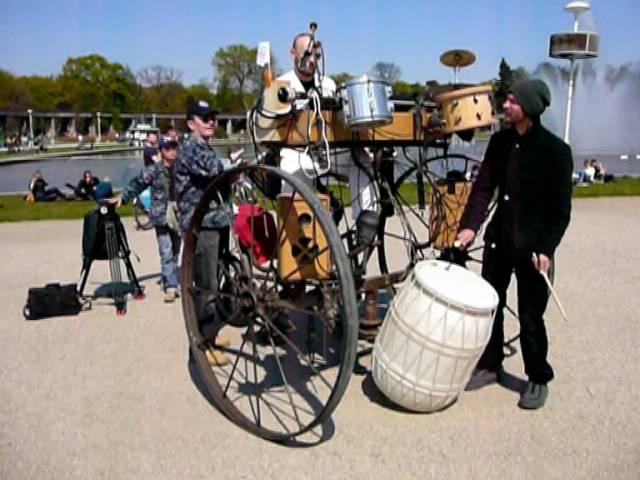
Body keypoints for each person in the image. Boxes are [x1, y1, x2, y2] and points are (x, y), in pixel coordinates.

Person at [456, 79, 573, 410]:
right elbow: (483, 189)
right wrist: (469, 228)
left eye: (512, 101)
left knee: (530, 316)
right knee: (490, 307)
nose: (505, 105)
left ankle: (537, 377)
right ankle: (490, 364)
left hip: (533, 250)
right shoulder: (500, 142)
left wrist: (547, 249)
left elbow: (561, 212)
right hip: (499, 242)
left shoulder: (556, 152)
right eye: (506, 99)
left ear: (530, 108)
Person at [277, 32, 381, 251]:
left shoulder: (328, 84)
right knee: (291, 169)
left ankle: (367, 221)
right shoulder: (281, 86)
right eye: (306, 53)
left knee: (360, 156)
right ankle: (301, 238)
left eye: (315, 54)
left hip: (327, 152)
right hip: (298, 152)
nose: (311, 59)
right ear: (292, 53)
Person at [174, 100, 234, 364]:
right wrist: (233, 166)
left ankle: (210, 334)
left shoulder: (203, 147)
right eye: (204, 118)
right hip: (203, 225)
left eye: (212, 117)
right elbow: (216, 169)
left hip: (217, 221)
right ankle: (201, 344)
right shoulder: (190, 148)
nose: (211, 122)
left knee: (215, 280)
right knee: (206, 284)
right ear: (191, 124)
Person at [118, 135, 181, 303]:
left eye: (175, 147)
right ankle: (171, 286)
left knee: (176, 250)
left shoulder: (182, 169)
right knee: (165, 250)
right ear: (161, 151)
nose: (173, 151)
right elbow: (137, 183)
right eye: (168, 148)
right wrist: (123, 198)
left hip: (178, 216)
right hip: (161, 216)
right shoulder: (153, 170)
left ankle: (172, 278)